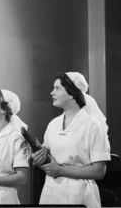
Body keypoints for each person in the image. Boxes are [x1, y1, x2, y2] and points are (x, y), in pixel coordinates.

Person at [32, 72, 111, 207]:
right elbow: (47, 159)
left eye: (57, 88)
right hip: (51, 192)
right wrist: (38, 159)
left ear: (72, 92)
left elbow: (99, 171)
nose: (52, 93)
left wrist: (61, 170)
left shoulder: (93, 126)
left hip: (79, 195)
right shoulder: (53, 124)